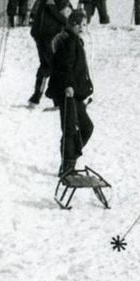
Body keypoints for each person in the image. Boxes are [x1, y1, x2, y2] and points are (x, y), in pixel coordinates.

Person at [46, 10, 94, 176]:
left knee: (86, 127)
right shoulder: (69, 42)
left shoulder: (76, 41)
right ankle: (68, 166)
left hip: (76, 94)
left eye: (84, 24)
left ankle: (70, 157)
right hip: (68, 93)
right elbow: (64, 65)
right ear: (70, 24)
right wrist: (68, 86)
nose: (81, 27)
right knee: (70, 129)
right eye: (77, 24)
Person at [28, 0, 76, 105]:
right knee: (54, 65)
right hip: (50, 33)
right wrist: (74, 21)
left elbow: (52, 9)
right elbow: (64, 12)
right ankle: (56, 100)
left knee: (46, 64)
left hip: (40, 32)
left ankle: (37, 97)